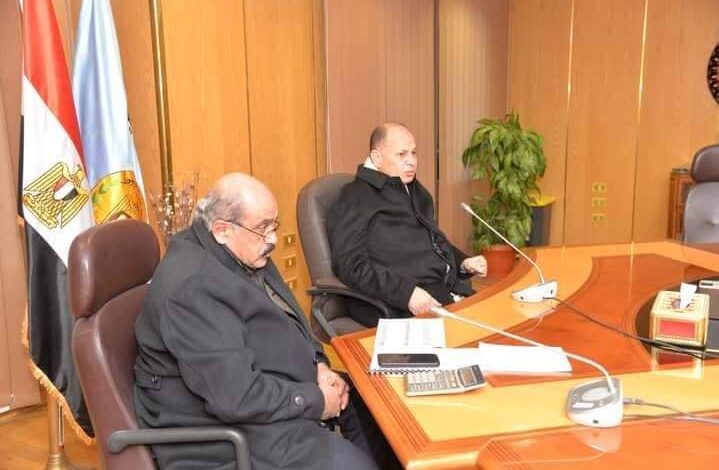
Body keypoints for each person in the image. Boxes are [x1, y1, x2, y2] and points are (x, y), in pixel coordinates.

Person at [134, 173, 398, 470]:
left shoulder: (241, 251)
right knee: (352, 465)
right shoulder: (191, 288)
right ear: (222, 230)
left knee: (373, 408)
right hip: (223, 432)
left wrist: (318, 365)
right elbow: (235, 396)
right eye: (262, 228)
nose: (272, 239)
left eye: (274, 225)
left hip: (265, 392)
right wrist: (315, 400)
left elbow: (289, 318)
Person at [327, 123, 488, 327]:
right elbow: (351, 265)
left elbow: (431, 241)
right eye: (401, 154)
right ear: (376, 157)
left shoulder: (415, 191)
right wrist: (407, 294)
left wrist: (463, 262)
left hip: (441, 292)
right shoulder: (354, 196)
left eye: (414, 153)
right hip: (395, 305)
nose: (411, 161)